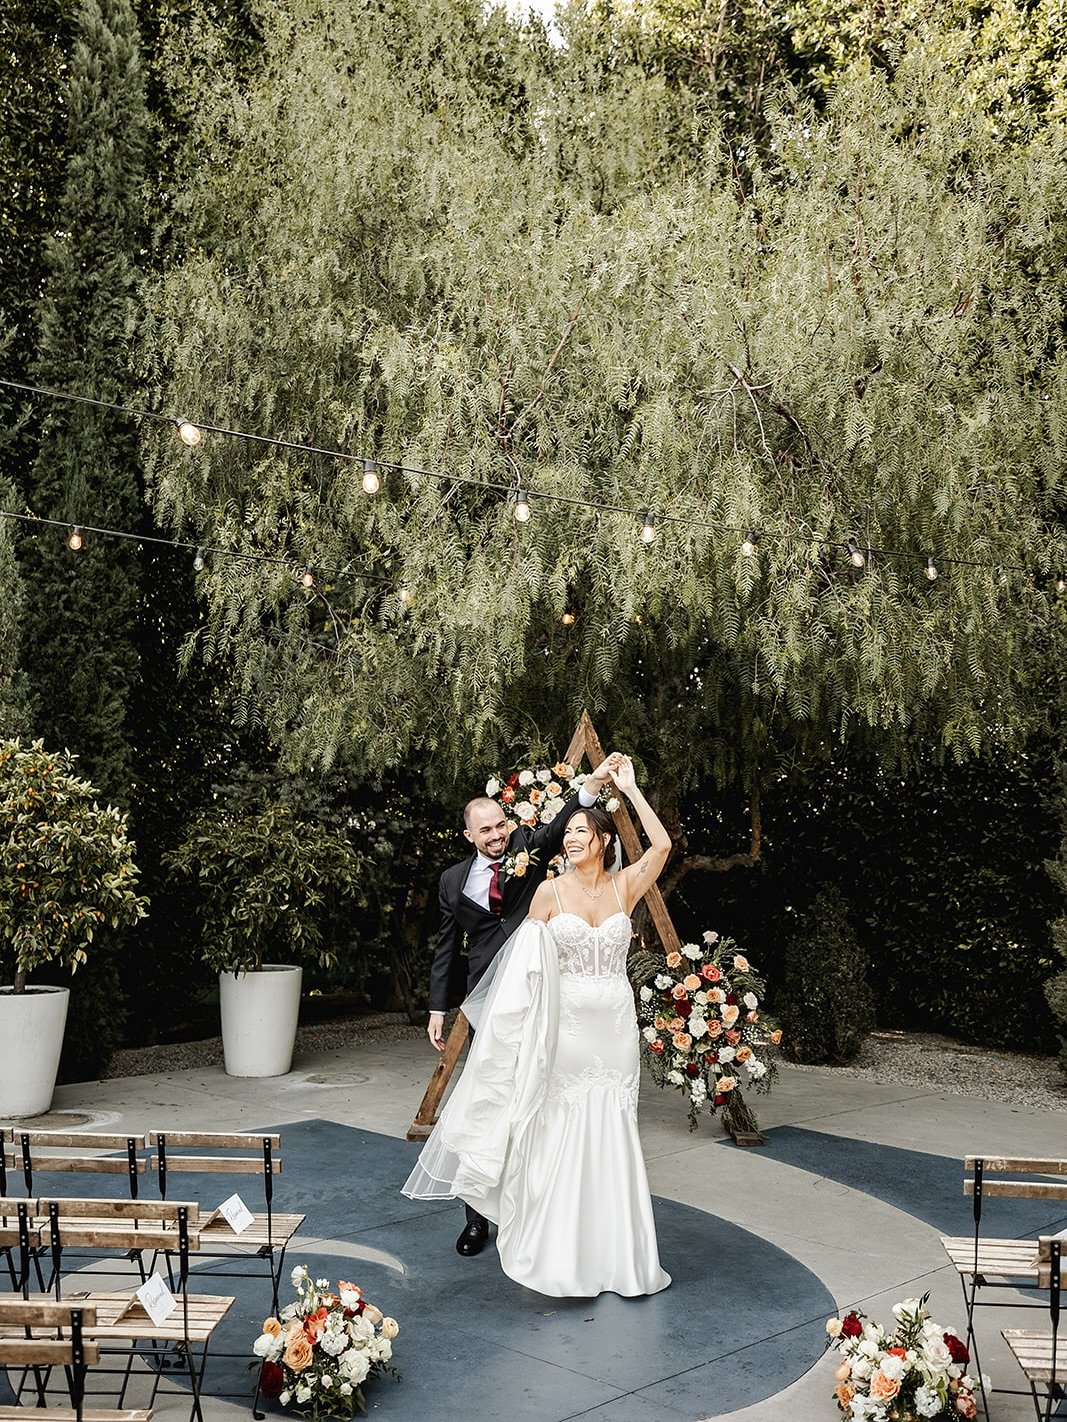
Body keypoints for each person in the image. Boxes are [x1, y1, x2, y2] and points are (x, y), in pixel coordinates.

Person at [404, 753, 672, 1298]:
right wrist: (460, 1012)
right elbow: (490, 957)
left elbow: (660, 847)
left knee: (614, 1127)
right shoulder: (537, 891)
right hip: (559, 1023)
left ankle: (619, 1252)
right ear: (469, 834)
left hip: (615, 1030)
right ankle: (532, 1237)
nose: (569, 838)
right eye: (566, 832)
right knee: (542, 1118)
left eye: (579, 831)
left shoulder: (619, 885)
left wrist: (626, 789)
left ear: (602, 840)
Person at [426, 756, 619, 1258]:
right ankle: (476, 1218)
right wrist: (438, 1009)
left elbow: (561, 826)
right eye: (485, 830)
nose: (496, 835)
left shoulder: (528, 849)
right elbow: (447, 947)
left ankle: (534, 1203)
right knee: (486, 1095)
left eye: (500, 826)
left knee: (540, 1093)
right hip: (488, 997)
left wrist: (593, 784)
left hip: (542, 988)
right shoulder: (451, 881)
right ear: (469, 835)